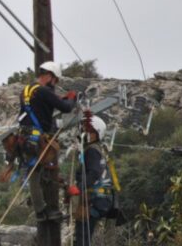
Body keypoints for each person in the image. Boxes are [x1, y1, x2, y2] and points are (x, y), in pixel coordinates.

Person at [17, 61, 76, 246]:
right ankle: (45, 210)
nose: (55, 84)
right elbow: (66, 108)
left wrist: (59, 99)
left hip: (25, 137)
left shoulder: (27, 90)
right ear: (50, 76)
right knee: (41, 171)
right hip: (37, 139)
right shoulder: (44, 91)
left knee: (34, 173)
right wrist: (72, 98)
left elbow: (41, 107)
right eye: (55, 81)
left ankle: (41, 209)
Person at [73, 115, 118, 246]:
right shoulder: (95, 149)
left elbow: (93, 173)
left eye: (89, 131)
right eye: (83, 129)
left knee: (82, 237)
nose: (84, 133)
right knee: (82, 236)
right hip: (100, 199)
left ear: (97, 134)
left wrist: (79, 188)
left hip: (95, 199)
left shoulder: (92, 150)